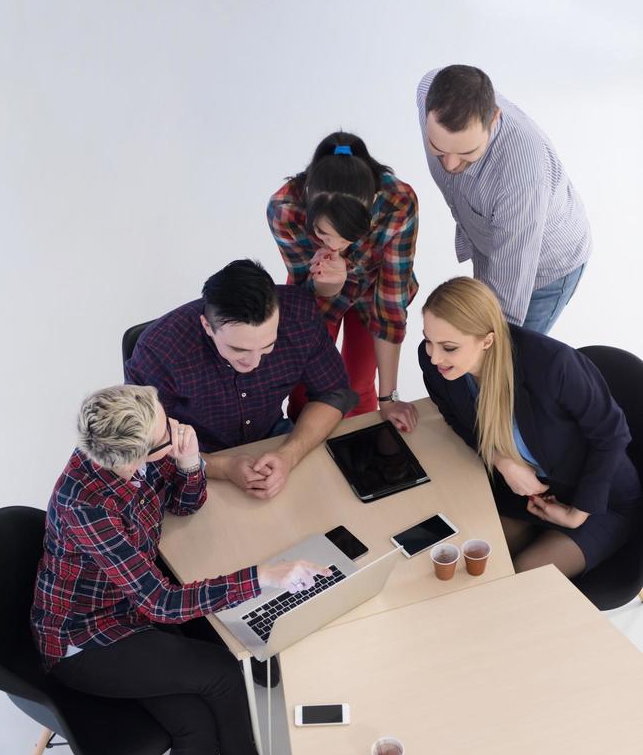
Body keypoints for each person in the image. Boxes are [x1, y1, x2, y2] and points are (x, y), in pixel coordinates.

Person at [31, 384, 330, 755]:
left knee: (195, 723)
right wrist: (262, 576)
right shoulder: (87, 506)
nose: (175, 430)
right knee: (218, 669)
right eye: (164, 435)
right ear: (132, 458)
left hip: (128, 614)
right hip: (85, 640)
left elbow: (184, 504)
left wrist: (190, 464)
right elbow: (162, 604)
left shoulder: (139, 454)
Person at [418, 277, 641, 577]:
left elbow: (612, 435)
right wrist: (502, 461)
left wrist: (577, 514)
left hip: (598, 502)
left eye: (448, 347)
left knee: (521, 580)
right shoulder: (435, 364)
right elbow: (455, 417)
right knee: (469, 564)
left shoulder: (553, 366)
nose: (434, 356)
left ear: (487, 340)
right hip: (526, 496)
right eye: (428, 340)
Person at [125, 258, 357, 501]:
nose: (255, 362)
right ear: (207, 326)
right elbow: (146, 440)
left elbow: (333, 393)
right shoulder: (160, 349)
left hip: (274, 436)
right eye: (239, 350)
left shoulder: (299, 313)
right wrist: (223, 467)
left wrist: (289, 455)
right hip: (195, 455)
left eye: (268, 346)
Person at [416, 66, 591, 334]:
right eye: (438, 149)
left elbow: (505, 308)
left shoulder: (523, 176)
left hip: (546, 268)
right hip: (491, 245)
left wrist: (491, 347)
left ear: (494, 119)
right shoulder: (428, 90)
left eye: (466, 153)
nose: (450, 164)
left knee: (507, 356)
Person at [267, 131, 419, 432]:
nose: (335, 245)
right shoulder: (285, 209)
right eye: (323, 234)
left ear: (372, 204)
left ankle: (358, 451)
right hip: (316, 286)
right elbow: (309, 297)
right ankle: (302, 451)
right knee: (306, 388)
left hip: (375, 287)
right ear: (309, 206)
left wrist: (389, 398)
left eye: (350, 234)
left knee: (359, 385)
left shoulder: (398, 202)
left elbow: (391, 303)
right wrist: (330, 283)